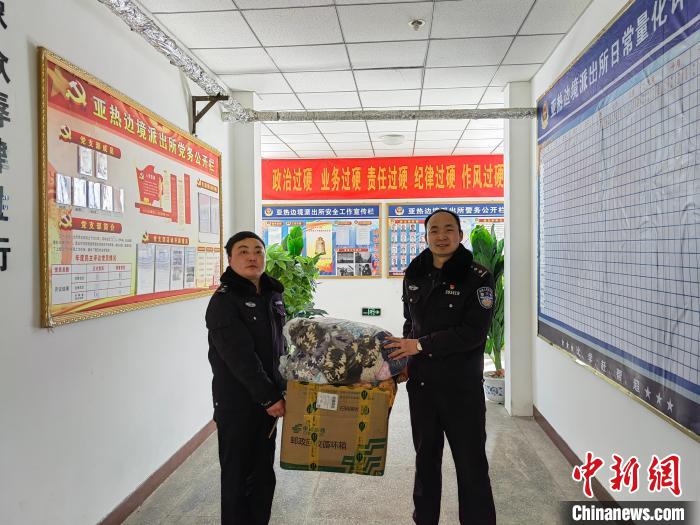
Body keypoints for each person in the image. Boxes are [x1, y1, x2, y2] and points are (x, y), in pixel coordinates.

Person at [385, 209, 497, 525]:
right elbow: (410, 322)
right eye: (434, 230)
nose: (441, 236)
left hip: (461, 390)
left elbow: (473, 334)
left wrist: (419, 345)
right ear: (426, 236)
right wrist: (405, 359)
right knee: (425, 463)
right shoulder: (415, 273)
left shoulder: (478, 277)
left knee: (471, 466)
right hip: (422, 388)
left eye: (449, 229)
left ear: (460, 235)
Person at [205, 231, 287, 525]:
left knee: (263, 476)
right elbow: (240, 359)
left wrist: (283, 388)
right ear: (229, 259)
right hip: (238, 405)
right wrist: (269, 397)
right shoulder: (224, 301)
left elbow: (279, 347)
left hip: (268, 402)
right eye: (243, 251)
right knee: (239, 479)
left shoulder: (272, 295)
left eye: (258, 250)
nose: (252, 257)